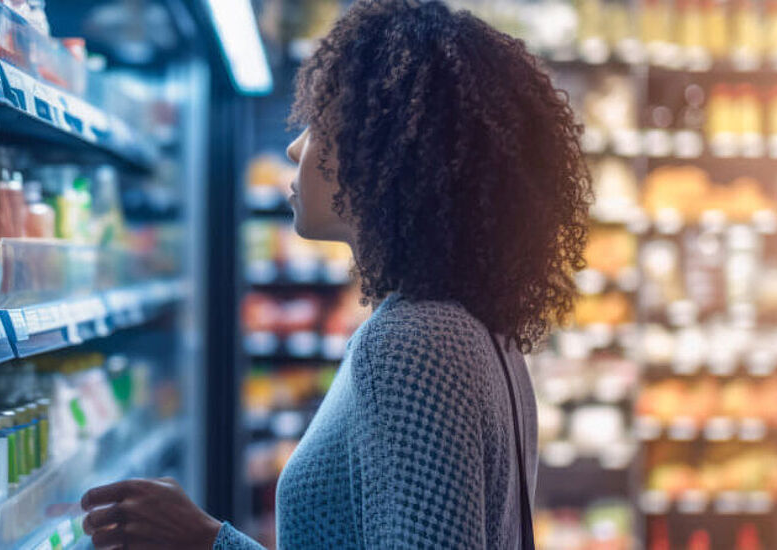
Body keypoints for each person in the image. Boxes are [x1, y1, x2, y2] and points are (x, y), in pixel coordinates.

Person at [80, 0, 591, 547]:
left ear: (390, 152)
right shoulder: (480, 329)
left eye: (320, 125)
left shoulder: (413, 344)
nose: (294, 146)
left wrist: (209, 541)